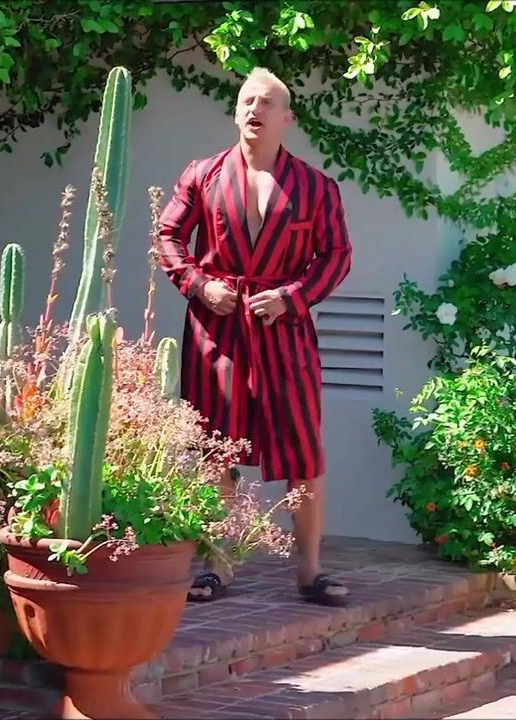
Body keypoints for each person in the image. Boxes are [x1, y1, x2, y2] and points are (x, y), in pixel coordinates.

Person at [155, 67, 353, 607]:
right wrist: (199, 285)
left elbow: (336, 255)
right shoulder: (204, 174)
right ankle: (216, 567)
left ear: (287, 117)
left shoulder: (315, 186)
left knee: (302, 450)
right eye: (246, 100)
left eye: (266, 102)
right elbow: (169, 235)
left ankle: (310, 572)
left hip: (284, 330)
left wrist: (293, 296)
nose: (253, 109)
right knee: (216, 450)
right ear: (235, 111)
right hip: (216, 329)